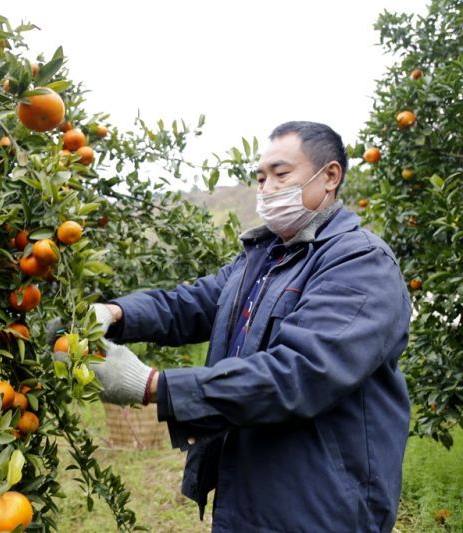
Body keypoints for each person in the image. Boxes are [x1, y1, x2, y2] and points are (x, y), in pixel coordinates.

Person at [64, 122, 412, 532]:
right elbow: (192, 304)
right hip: (249, 489)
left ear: (330, 176)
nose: (266, 188)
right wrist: (114, 314)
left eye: (281, 175)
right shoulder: (262, 259)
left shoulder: (360, 263)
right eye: (261, 178)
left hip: (322, 502)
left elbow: (300, 372)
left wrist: (154, 386)